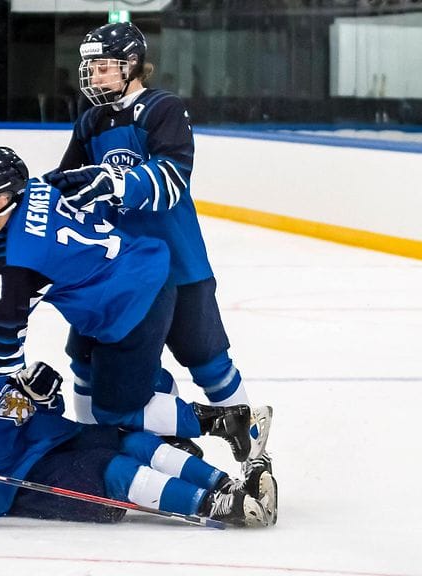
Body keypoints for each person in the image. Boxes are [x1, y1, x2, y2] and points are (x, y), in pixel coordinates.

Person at [0, 146, 269, 466]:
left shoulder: (18, 265)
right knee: (95, 367)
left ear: (2, 198)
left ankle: (226, 422)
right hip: (137, 274)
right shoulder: (38, 189)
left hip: (130, 306)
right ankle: (171, 437)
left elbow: (1, 345)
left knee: (113, 410)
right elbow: (6, 243)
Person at [44, 22, 273, 475]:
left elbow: (171, 178)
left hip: (178, 265)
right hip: (117, 275)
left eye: (104, 67)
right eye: (89, 67)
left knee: (209, 363)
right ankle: (101, 450)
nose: (93, 76)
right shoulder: (91, 122)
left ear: (132, 66)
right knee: (90, 363)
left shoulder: (162, 108)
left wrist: (109, 183)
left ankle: (253, 449)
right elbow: (65, 186)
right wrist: (20, 198)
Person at [0, 333, 276, 526]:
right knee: (114, 469)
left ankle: (225, 485)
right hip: (15, 481)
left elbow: (47, 410)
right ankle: (212, 505)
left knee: (134, 440)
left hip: (57, 439)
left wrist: (44, 394)